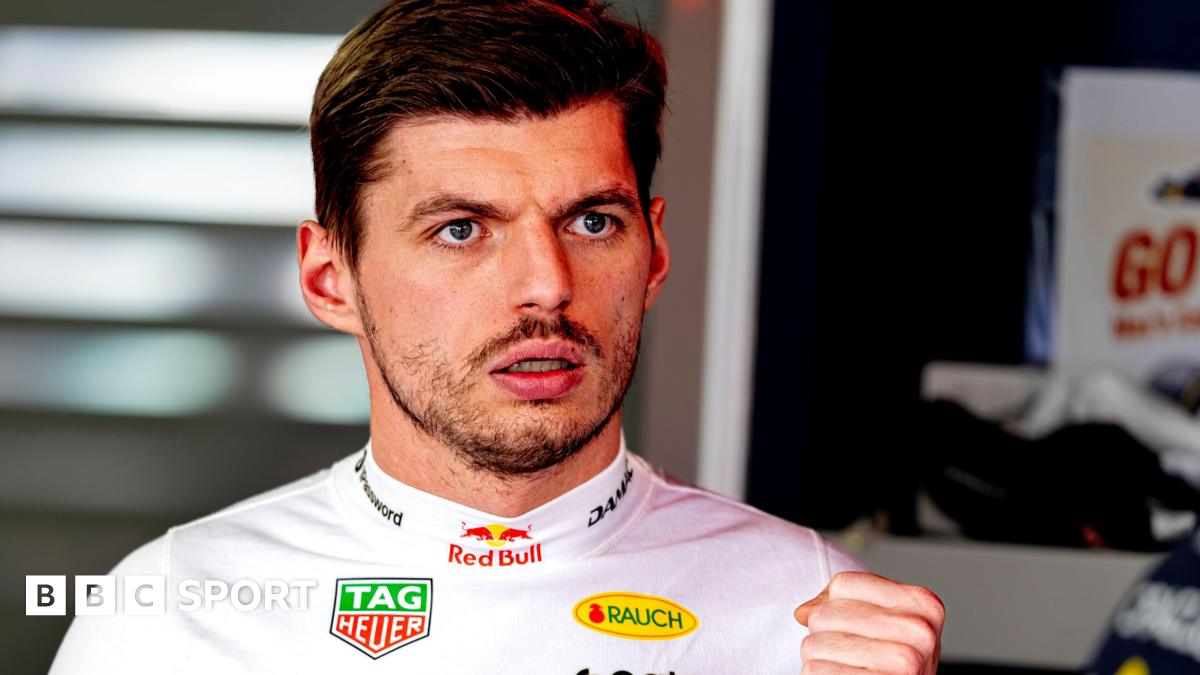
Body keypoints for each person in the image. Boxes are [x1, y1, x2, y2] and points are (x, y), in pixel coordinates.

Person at [50, 1, 944, 672]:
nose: (547, 285)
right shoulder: (166, 614)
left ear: (656, 249)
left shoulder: (810, 609)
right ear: (332, 279)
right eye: (461, 229)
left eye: (592, 222)